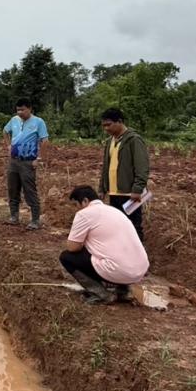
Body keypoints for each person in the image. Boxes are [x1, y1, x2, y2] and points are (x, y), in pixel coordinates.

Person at [60, 185, 149, 304]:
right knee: (110, 250)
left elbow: (72, 247)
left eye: (76, 204)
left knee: (66, 257)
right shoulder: (115, 211)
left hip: (119, 271)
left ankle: (101, 294)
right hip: (139, 271)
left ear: (85, 201)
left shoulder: (84, 214)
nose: (76, 209)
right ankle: (123, 291)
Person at [98, 108, 150, 240]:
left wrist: (137, 189)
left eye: (109, 125)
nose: (106, 128)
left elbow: (142, 167)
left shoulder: (134, 140)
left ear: (120, 121)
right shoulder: (110, 141)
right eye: (104, 125)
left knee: (133, 226)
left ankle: (138, 252)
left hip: (129, 193)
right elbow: (106, 167)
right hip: (114, 192)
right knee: (117, 226)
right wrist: (102, 188)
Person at [3, 98, 49, 230]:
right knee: (12, 189)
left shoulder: (38, 122)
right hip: (14, 160)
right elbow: (5, 131)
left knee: (30, 190)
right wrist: (9, 146)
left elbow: (45, 141)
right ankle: (14, 217)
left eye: (22, 110)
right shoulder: (14, 120)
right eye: (18, 110)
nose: (20, 112)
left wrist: (39, 158)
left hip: (28, 162)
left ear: (30, 109)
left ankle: (35, 220)